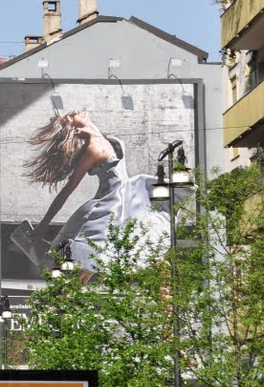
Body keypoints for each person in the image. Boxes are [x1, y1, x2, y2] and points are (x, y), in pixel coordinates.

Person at [17, 110, 174, 273]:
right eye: (70, 117)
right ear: (74, 128)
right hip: (113, 200)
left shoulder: (101, 138)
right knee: (91, 246)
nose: (73, 112)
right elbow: (68, 189)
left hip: (125, 195)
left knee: (103, 245)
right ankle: (63, 292)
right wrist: (43, 224)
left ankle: (64, 292)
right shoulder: (93, 147)